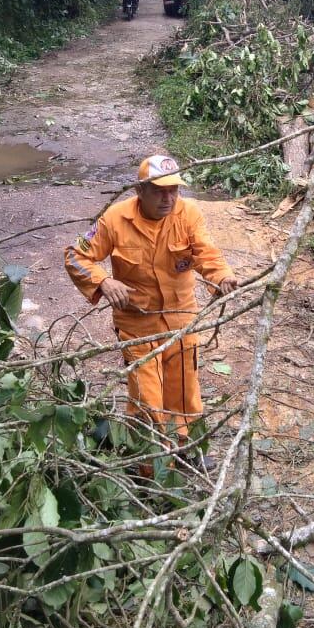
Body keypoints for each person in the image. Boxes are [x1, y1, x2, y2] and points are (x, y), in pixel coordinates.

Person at [64, 154, 238, 471]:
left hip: (181, 318)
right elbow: (76, 256)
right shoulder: (114, 219)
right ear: (140, 190)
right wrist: (103, 281)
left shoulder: (188, 213)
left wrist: (222, 276)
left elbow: (207, 253)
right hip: (136, 323)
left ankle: (186, 450)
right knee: (147, 397)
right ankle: (152, 466)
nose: (168, 198)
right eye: (159, 191)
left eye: (174, 190)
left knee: (184, 389)